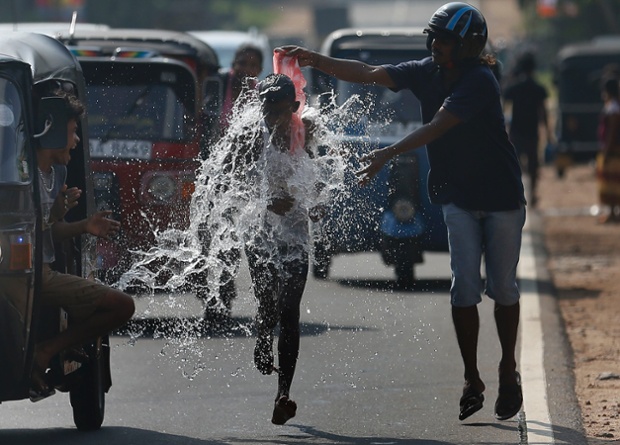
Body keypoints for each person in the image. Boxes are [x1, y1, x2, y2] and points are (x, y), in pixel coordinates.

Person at [280, 1, 526, 422]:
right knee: (464, 288)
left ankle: (507, 367)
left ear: (467, 46)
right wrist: (315, 59)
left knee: (502, 289)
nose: (436, 45)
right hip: (458, 197)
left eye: (445, 40)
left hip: (501, 198)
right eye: (433, 38)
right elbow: (369, 73)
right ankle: (472, 378)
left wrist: (387, 153)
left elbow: (438, 126)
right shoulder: (426, 70)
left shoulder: (480, 80)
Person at [224, 72, 325, 425]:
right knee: (268, 302)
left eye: (281, 112)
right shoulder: (249, 137)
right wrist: (267, 200)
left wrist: (317, 200)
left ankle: (283, 393)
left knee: (290, 308)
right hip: (261, 232)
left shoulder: (306, 131)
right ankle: (263, 336)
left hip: (296, 233)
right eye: (267, 111)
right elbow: (230, 183)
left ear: (294, 108)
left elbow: (323, 172)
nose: (274, 119)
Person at [32, 90, 135, 398]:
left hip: (42, 274)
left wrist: (84, 225)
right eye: (73, 131)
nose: (76, 141)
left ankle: (46, 351)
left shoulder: (57, 173)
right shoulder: (18, 171)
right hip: (14, 271)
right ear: (51, 131)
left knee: (122, 306)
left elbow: (51, 231)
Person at [196, 43, 265, 316]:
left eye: (252, 65)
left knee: (229, 242)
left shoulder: (263, 96)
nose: (246, 70)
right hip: (208, 176)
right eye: (241, 63)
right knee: (202, 237)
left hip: (240, 181)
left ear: (259, 70)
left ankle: (224, 296)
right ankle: (205, 293)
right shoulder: (215, 86)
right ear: (232, 64)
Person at [502, 51, 552, 207]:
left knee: (515, 165)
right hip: (532, 132)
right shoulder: (538, 88)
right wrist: (548, 132)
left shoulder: (514, 87)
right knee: (533, 165)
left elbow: (504, 108)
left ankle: (516, 193)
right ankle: (532, 195)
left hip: (516, 132)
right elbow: (543, 112)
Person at [595, 74, 620, 223]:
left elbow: (611, 131)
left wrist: (607, 150)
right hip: (614, 148)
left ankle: (612, 213)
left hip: (613, 150)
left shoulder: (613, 108)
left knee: (611, 181)